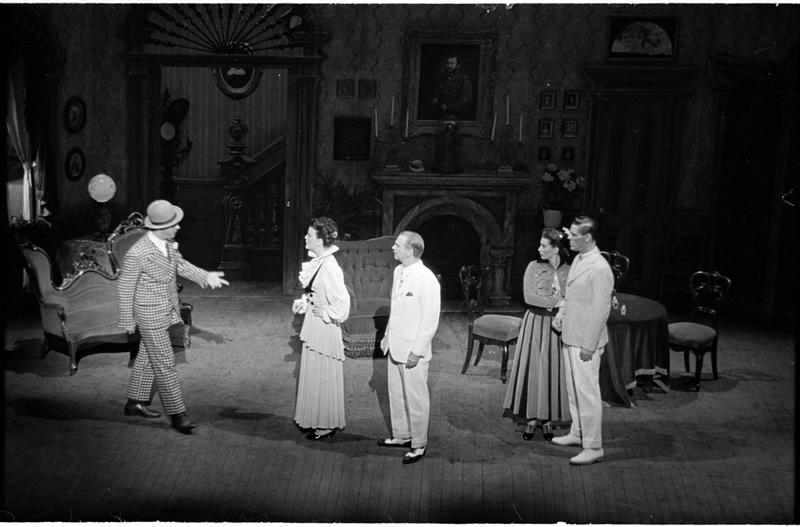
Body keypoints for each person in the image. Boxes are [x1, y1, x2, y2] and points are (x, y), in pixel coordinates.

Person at [119, 199, 229, 434]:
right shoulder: (138, 253)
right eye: (173, 224)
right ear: (159, 227)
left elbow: (182, 266)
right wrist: (127, 320)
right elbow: (125, 288)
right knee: (165, 363)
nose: (178, 227)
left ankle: (134, 403)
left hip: (167, 309)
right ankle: (178, 415)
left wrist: (205, 276)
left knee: (147, 355)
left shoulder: (168, 245)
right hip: (149, 314)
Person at [551, 216, 614, 465]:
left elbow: (600, 311)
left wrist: (589, 345)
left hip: (586, 342)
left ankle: (594, 446)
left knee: (587, 393)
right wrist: (561, 315)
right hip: (571, 334)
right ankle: (578, 433)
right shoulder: (579, 258)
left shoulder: (600, 268)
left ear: (587, 237)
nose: (569, 238)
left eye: (574, 235)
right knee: (574, 390)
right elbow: (571, 296)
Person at [377, 231, 441, 464]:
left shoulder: (427, 279)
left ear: (411, 250)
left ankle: (419, 443)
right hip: (395, 345)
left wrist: (417, 351)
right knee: (395, 393)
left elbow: (430, 321)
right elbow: (396, 308)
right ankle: (402, 435)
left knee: (416, 399)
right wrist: (387, 335)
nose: (393, 248)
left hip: (413, 351)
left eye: (397, 245)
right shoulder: (398, 271)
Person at [503, 228, 571, 441]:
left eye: (544, 245)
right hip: (536, 323)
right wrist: (556, 301)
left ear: (556, 249)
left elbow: (574, 296)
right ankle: (532, 418)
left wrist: (564, 306)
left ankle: (548, 419)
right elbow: (529, 297)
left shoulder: (569, 269)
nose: (539, 248)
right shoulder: (533, 266)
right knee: (534, 370)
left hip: (558, 326)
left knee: (553, 370)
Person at [292, 217, 351, 440]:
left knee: (324, 372)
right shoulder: (319, 261)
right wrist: (305, 303)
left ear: (319, 240)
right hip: (314, 322)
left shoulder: (330, 267)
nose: (305, 237)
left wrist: (326, 312)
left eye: (309, 235)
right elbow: (315, 291)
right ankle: (315, 419)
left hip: (325, 325)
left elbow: (343, 303)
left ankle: (327, 423)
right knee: (314, 370)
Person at [430, 55, 474, 120]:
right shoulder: (442, 79)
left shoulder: (464, 79)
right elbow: (437, 93)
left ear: (458, 65)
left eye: (452, 64)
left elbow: (466, 99)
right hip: (441, 114)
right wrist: (435, 98)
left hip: (458, 115)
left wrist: (449, 107)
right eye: (447, 63)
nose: (449, 66)